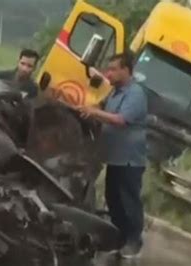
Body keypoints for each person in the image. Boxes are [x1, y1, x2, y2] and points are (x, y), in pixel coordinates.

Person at [77, 53, 147, 258]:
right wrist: (88, 109)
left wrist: (95, 113)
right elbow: (101, 106)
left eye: (113, 69)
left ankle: (134, 240)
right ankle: (118, 237)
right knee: (113, 198)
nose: (109, 73)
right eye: (108, 69)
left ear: (126, 70)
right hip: (114, 157)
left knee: (129, 201)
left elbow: (121, 120)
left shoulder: (135, 94)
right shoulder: (114, 92)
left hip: (129, 160)